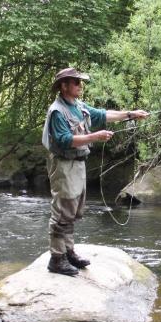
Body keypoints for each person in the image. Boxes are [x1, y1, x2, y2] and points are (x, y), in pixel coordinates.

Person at [41, 67, 149, 276]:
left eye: (80, 82)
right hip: (63, 165)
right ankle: (56, 258)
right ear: (64, 86)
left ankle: (68, 252)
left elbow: (102, 115)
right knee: (62, 210)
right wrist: (95, 137)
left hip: (78, 163)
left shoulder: (78, 106)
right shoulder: (57, 111)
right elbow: (64, 140)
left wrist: (130, 114)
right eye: (76, 82)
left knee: (72, 210)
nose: (80, 86)